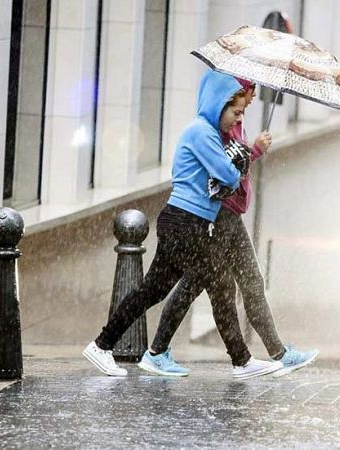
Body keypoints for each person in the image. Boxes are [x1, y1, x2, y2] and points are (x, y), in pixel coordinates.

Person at [139, 78, 319, 380]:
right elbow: (225, 165)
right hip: (220, 213)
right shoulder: (220, 122)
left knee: (216, 283)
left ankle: (161, 351)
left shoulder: (235, 119)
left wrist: (251, 150)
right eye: (250, 93)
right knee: (223, 282)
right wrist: (256, 150)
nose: (250, 101)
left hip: (228, 213)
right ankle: (265, 356)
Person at [82, 70, 248, 376]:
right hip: (183, 222)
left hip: (185, 222)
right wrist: (237, 165)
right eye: (235, 112)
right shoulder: (202, 132)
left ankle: (106, 345)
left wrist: (234, 162)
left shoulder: (207, 133)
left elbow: (218, 180)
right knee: (221, 282)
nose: (238, 120)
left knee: (153, 291)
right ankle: (242, 361)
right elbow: (227, 177)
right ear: (218, 105)